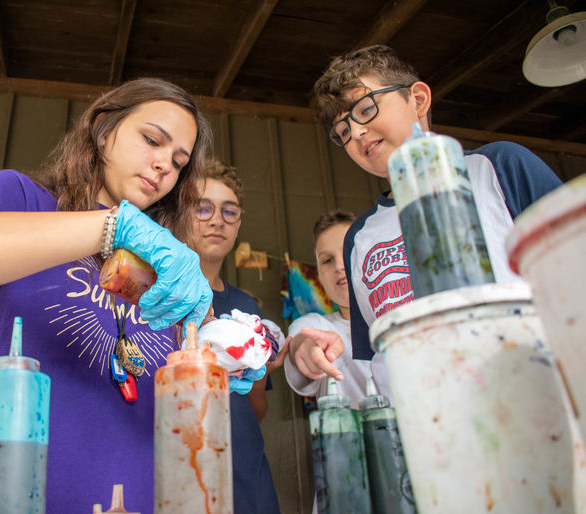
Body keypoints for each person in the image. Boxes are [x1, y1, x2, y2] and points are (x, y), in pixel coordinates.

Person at [0, 77, 214, 514]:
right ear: (103, 131)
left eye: (178, 162)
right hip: (7, 498)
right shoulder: (21, 199)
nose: (163, 165)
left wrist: (260, 346)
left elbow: (209, 354)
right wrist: (109, 227)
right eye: (151, 140)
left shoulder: (169, 267)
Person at [312, 45, 563, 362]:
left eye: (364, 109)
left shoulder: (497, 168)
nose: (357, 132)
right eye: (343, 131)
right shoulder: (360, 238)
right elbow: (378, 356)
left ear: (417, 100)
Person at [187, 156, 284, 514]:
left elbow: (257, 406)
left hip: (245, 467)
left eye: (230, 211)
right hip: (184, 462)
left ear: (239, 222)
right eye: (203, 208)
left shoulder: (246, 306)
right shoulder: (155, 296)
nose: (217, 220)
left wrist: (258, 372)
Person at [285, 210, 389, 408]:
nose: (340, 266)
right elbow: (301, 339)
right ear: (320, 277)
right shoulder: (317, 324)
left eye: (349, 251)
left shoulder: (403, 318)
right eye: (327, 260)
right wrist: (308, 348)